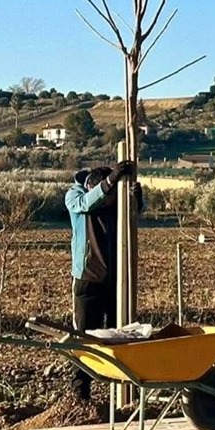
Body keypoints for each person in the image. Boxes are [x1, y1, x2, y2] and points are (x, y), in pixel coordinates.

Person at [65, 161, 143, 400]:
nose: (110, 204)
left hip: (116, 280)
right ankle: (81, 395)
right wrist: (111, 183)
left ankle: (124, 392)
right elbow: (85, 204)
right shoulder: (75, 195)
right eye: (108, 197)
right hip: (88, 280)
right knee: (85, 338)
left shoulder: (113, 200)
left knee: (121, 335)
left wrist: (135, 200)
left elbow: (131, 217)